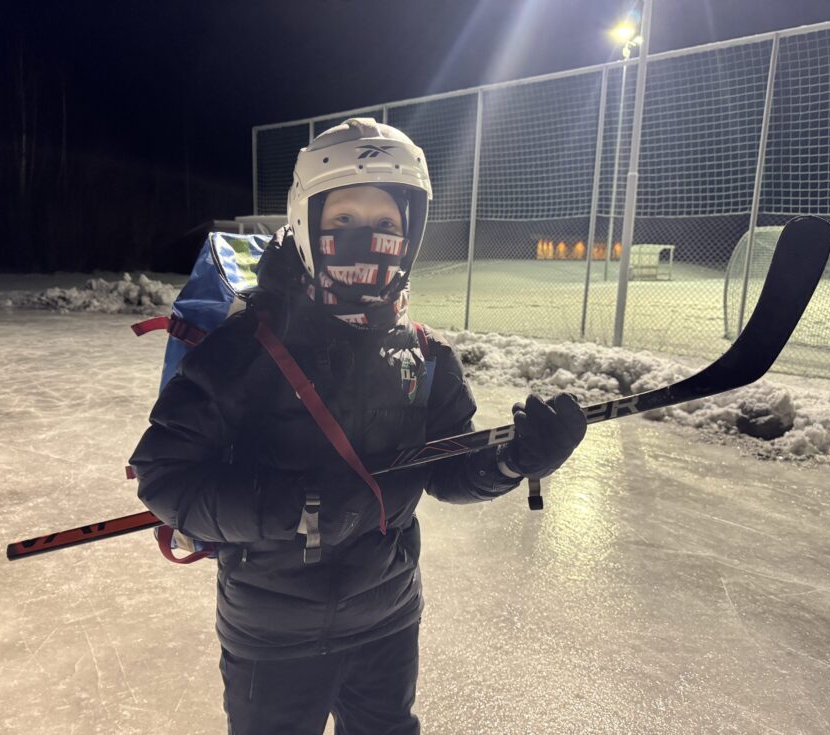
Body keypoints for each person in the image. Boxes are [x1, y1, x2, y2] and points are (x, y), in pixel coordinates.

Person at [129, 118, 587, 735]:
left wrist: (515, 461)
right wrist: (292, 508)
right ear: (306, 225)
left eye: (385, 225)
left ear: (410, 235)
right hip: (273, 634)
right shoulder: (244, 350)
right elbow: (166, 478)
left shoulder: (424, 357)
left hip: (387, 620)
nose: (365, 239)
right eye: (343, 219)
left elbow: (448, 472)